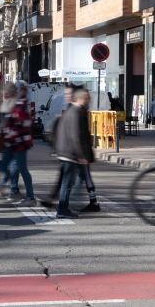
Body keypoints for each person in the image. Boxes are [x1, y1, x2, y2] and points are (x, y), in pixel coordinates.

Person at [41, 85, 101, 212]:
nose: (66, 96)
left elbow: (78, 134)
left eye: (68, 94)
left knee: (79, 177)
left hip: (78, 152)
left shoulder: (78, 110)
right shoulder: (73, 109)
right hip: (74, 151)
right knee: (70, 177)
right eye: (65, 94)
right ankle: (59, 201)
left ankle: (89, 202)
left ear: (75, 96)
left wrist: (82, 154)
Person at [53, 88, 95, 219]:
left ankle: (63, 208)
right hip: (70, 153)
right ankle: (62, 209)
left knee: (68, 182)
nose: (89, 100)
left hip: (66, 152)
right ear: (79, 99)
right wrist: (81, 155)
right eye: (87, 98)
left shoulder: (71, 111)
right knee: (67, 183)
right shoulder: (76, 112)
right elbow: (75, 136)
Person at [0, 81, 36, 207]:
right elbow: (9, 121)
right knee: (4, 163)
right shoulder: (14, 104)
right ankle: (2, 186)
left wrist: (9, 134)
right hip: (12, 142)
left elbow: (20, 124)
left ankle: (29, 197)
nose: (4, 96)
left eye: (6, 94)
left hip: (19, 143)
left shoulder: (20, 104)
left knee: (21, 169)